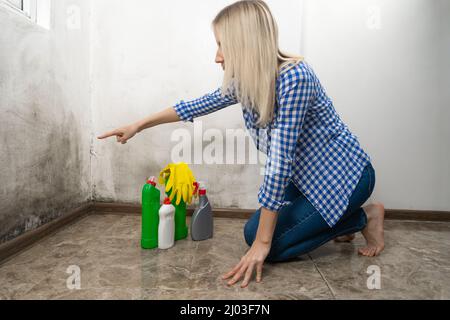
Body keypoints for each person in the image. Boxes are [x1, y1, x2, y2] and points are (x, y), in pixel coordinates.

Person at [98, 0, 385, 288]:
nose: (217, 57)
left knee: (271, 247)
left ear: (245, 44)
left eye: (222, 45)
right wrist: (138, 125)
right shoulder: (247, 82)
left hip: (344, 177)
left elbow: (279, 162)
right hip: (304, 179)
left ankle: (364, 217)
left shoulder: (296, 78)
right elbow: (195, 106)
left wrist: (262, 245)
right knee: (253, 233)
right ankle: (338, 222)